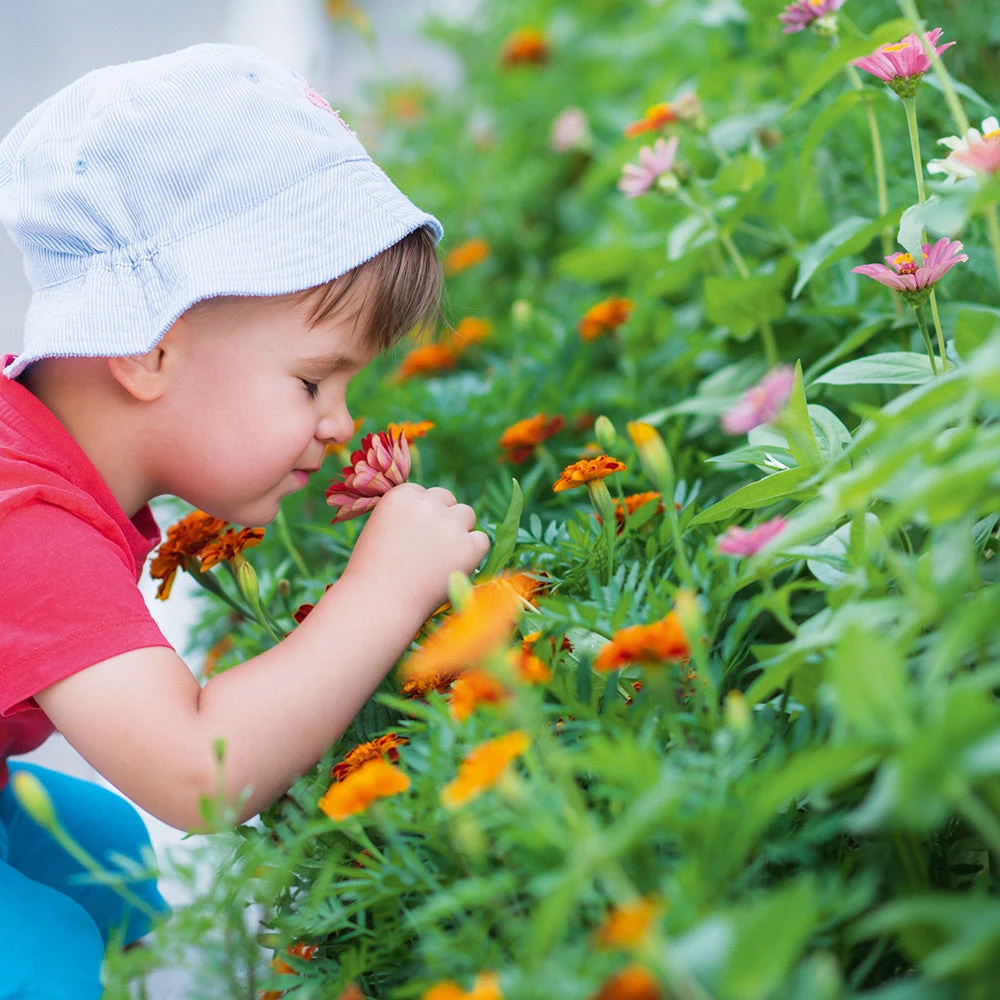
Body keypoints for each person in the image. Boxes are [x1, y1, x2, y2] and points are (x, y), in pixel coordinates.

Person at [0, 43, 489, 996]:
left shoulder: (41, 460)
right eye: (312, 381)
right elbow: (199, 772)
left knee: (105, 856)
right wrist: (382, 590)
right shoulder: (22, 520)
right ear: (148, 347)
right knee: (46, 955)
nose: (340, 424)